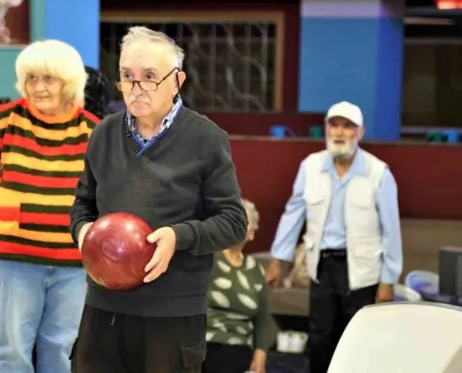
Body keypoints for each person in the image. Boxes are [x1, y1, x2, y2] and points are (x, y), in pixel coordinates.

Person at [70, 26, 248, 373]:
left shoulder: (207, 139)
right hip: (104, 306)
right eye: (127, 77)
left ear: (177, 81)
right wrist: (85, 234)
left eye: (149, 77)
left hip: (172, 313)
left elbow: (233, 222)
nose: (136, 89)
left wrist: (177, 238)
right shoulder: (103, 133)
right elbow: (82, 205)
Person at [0, 39, 99, 373]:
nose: (38, 87)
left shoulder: (92, 130)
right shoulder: (4, 119)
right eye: (31, 78)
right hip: (14, 257)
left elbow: (99, 190)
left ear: (67, 83)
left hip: (71, 261)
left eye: (48, 79)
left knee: (61, 348)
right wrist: (11, 192)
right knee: (12, 349)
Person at [265, 101, 403, 373]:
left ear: (360, 132)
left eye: (348, 126)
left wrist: (389, 280)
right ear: (327, 129)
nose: (340, 132)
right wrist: (277, 259)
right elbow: (293, 213)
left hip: (362, 271)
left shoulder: (379, 174)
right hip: (322, 267)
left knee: (358, 340)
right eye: (334, 124)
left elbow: (391, 232)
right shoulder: (311, 166)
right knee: (320, 339)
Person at [204, 199, 274, 373]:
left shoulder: (255, 269)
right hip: (207, 341)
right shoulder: (208, 259)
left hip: (240, 346)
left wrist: (260, 355)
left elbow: (263, 318)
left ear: (251, 233)